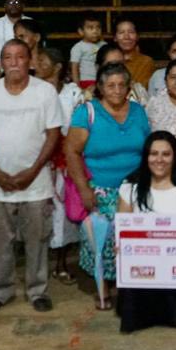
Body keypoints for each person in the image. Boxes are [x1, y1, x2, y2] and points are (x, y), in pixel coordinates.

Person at [0, 39, 63, 315]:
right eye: (8, 57)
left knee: (37, 239)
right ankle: (0, 292)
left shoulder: (45, 92)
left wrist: (34, 170)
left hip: (36, 183)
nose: (14, 62)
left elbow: (53, 134)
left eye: (19, 56)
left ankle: (38, 290)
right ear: (1, 62)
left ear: (30, 61)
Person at [65, 62, 152, 310]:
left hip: (134, 191)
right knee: (100, 242)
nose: (116, 90)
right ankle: (103, 289)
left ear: (129, 88)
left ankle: (128, 288)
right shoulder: (87, 112)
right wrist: (83, 189)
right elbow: (71, 152)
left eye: (121, 85)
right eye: (110, 85)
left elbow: (147, 148)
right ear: (101, 88)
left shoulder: (138, 111)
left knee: (131, 242)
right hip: (99, 189)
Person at [115, 131, 176, 332]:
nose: (159, 160)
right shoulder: (130, 186)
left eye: (166, 154)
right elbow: (122, 230)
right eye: (153, 153)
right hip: (140, 267)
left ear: (175, 156)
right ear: (146, 156)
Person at [36, 46, 85, 285]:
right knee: (40, 213)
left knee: (63, 213)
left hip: (65, 160)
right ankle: (39, 266)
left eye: (42, 60)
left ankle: (62, 264)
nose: (37, 64)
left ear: (57, 67)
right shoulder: (31, 91)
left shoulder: (73, 93)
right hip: (39, 160)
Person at [111, 18, 155, 88]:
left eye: (131, 32)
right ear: (115, 38)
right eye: (121, 33)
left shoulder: (146, 62)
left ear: (137, 36)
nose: (126, 37)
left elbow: (141, 91)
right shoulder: (110, 60)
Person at [69, 12, 107, 89]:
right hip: (85, 82)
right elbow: (74, 68)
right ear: (81, 31)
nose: (95, 31)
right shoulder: (78, 47)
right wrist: (77, 87)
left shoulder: (104, 45)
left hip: (103, 81)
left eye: (98, 27)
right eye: (90, 28)